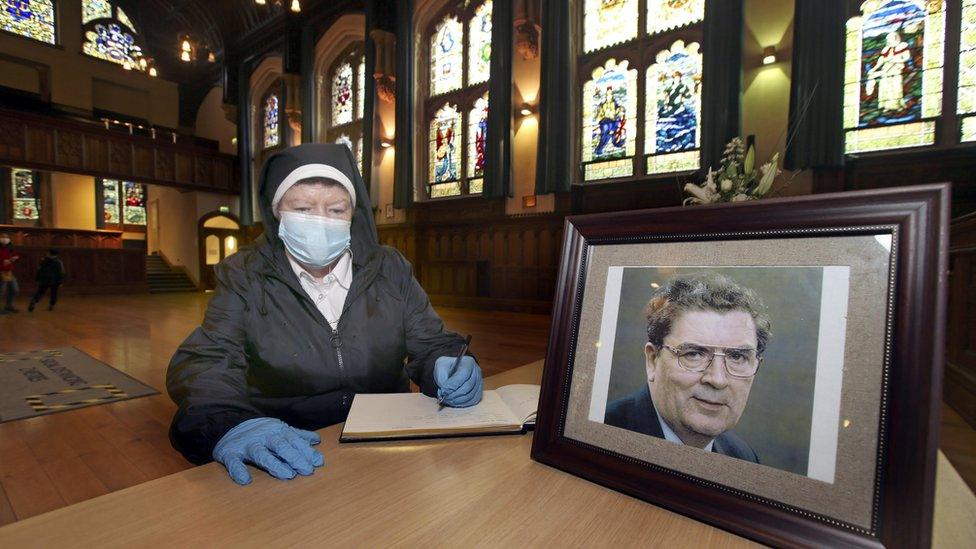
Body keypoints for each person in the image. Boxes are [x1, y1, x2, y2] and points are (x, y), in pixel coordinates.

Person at [167, 144, 483, 485]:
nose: (319, 220)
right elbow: (210, 360)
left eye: (335, 209)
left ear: (353, 214)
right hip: (288, 449)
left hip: (388, 446)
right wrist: (229, 421)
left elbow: (431, 342)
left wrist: (446, 364)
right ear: (276, 212)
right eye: (302, 207)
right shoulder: (244, 274)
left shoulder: (389, 266)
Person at [604, 273, 771, 463]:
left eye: (737, 356)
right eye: (694, 354)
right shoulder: (600, 435)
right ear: (652, 360)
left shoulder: (743, 457)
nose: (717, 379)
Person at [0, 233, 20, 314]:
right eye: (2, 237)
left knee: (15, 289)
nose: (5, 239)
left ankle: (9, 305)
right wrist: (3, 262)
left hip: (9, 272)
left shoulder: (10, 247)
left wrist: (14, 258)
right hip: (0, 271)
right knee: (1, 291)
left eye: (6, 237)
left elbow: (16, 255)